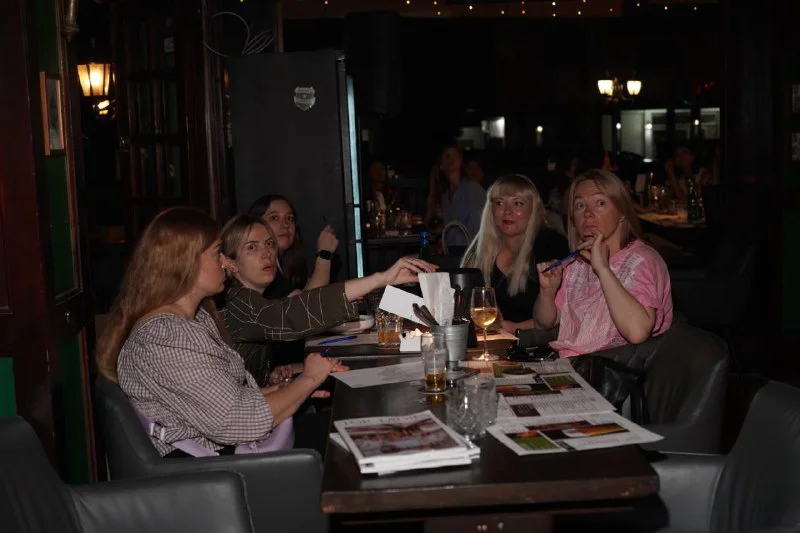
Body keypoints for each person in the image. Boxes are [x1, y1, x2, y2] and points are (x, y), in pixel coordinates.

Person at [96, 207, 348, 457]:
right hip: (217, 468)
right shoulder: (166, 336)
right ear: (185, 263)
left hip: (226, 454)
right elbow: (241, 422)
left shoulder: (196, 318)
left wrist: (290, 389)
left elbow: (224, 400)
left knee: (343, 425)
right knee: (344, 436)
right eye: (218, 253)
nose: (227, 263)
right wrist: (308, 379)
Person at [218, 213, 436, 386]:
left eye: (269, 244)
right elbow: (291, 315)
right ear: (230, 263)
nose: (266, 253)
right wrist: (380, 279)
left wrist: (276, 375)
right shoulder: (238, 303)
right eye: (252, 247)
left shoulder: (248, 299)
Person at [533, 170, 673, 358]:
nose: (588, 214)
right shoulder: (577, 264)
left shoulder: (642, 260)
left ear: (622, 212)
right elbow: (544, 323)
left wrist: (602, 269)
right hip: (574, 366)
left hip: (614, 371)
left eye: (600, 203)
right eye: (580, 205)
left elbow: (637, 332)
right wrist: (547, 292)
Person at [461, 175, 568, 334]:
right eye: (499, 203)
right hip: (494, 340)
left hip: (541, 342)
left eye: (518, 204)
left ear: (533, 209)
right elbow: (464, 304)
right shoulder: (482, 248)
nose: (507, 211)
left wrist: (513, 328)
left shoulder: (551, 243)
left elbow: (567, 311)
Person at [248, 194, 337, 293]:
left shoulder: (289, 267)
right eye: (274, 217)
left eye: (290, 218)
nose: (286, 225)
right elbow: (310, 301)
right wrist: (325, 254)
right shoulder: (258, 267)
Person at [437, 145, 486, 247]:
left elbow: (479, 229)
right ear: (441, 165)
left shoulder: (473, 189)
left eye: (455, 155)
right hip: (451, 250)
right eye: (447, 156)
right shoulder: (445, 197)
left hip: (470, 250)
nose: (451, 159)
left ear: (460, 161)